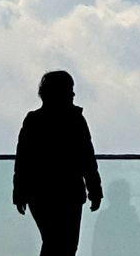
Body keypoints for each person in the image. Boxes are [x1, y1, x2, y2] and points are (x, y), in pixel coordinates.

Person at [13, 70, 104, 256]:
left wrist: (20, 193)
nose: (73, 94)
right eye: (69, 89)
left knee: (55, 242)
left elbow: (23, 161)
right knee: (64, 245)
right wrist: (95, 190)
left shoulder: (34, 121)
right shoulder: (75, 120)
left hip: (40, 193)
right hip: (69, 193)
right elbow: (87, 159)